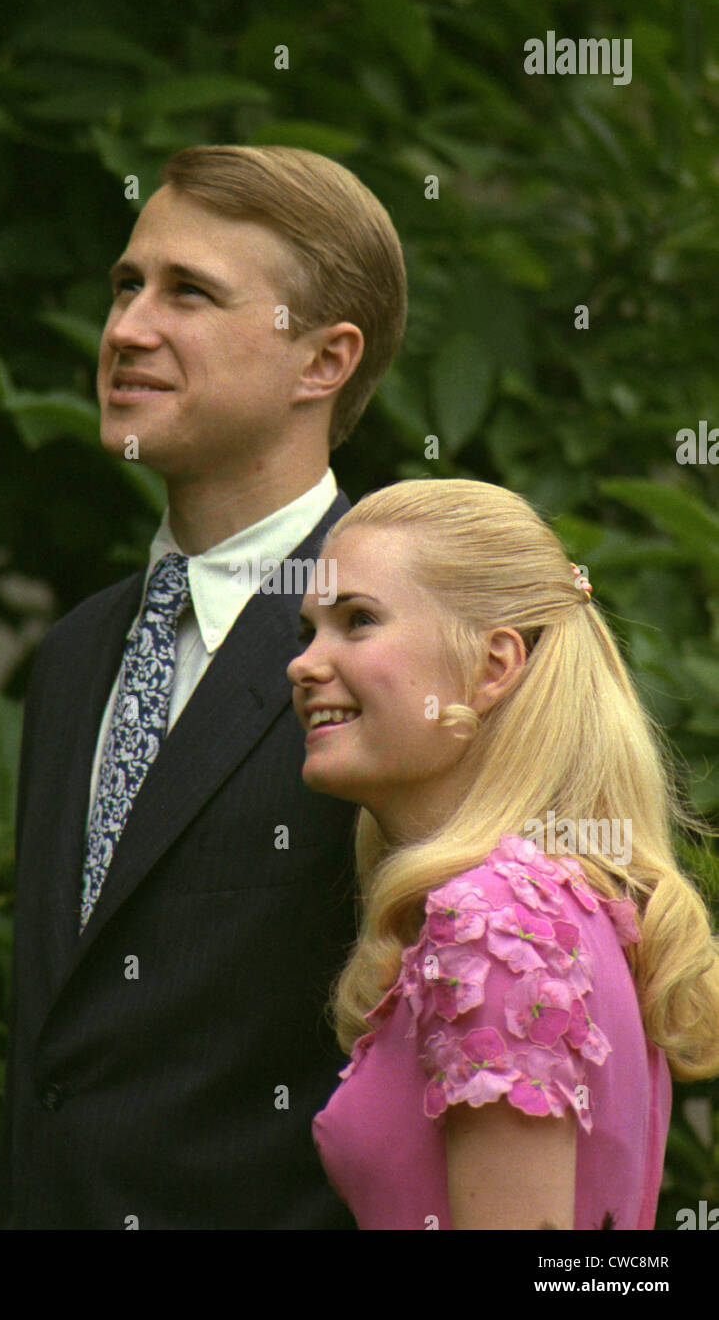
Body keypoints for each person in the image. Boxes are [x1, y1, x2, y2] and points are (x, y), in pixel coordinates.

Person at [0, 144, 408, 1228]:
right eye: (127, 285)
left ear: (322, 361)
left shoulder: (408, 644)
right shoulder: (78, 653)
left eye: (189, 293)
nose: (126, 328)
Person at [288, 477, 719, 1230]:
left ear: (492, 667)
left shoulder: (495, 919)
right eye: (308, 631)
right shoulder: (564, 900)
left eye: (357, 620)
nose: (303, 664)